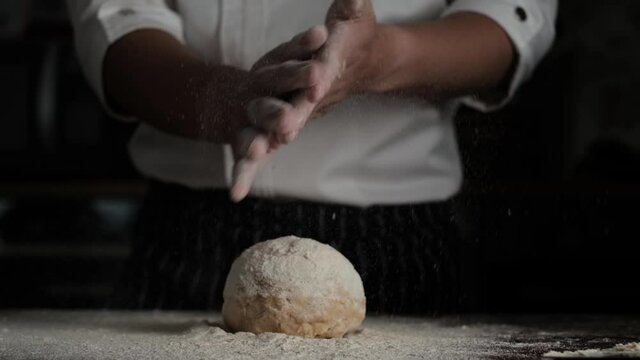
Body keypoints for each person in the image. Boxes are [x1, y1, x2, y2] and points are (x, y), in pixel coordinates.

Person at [66, 0, 557, 314]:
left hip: (396, 244)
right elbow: (113, 14)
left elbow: (509, 18)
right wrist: (215, 98)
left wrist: (380, 57)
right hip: (186, 237)